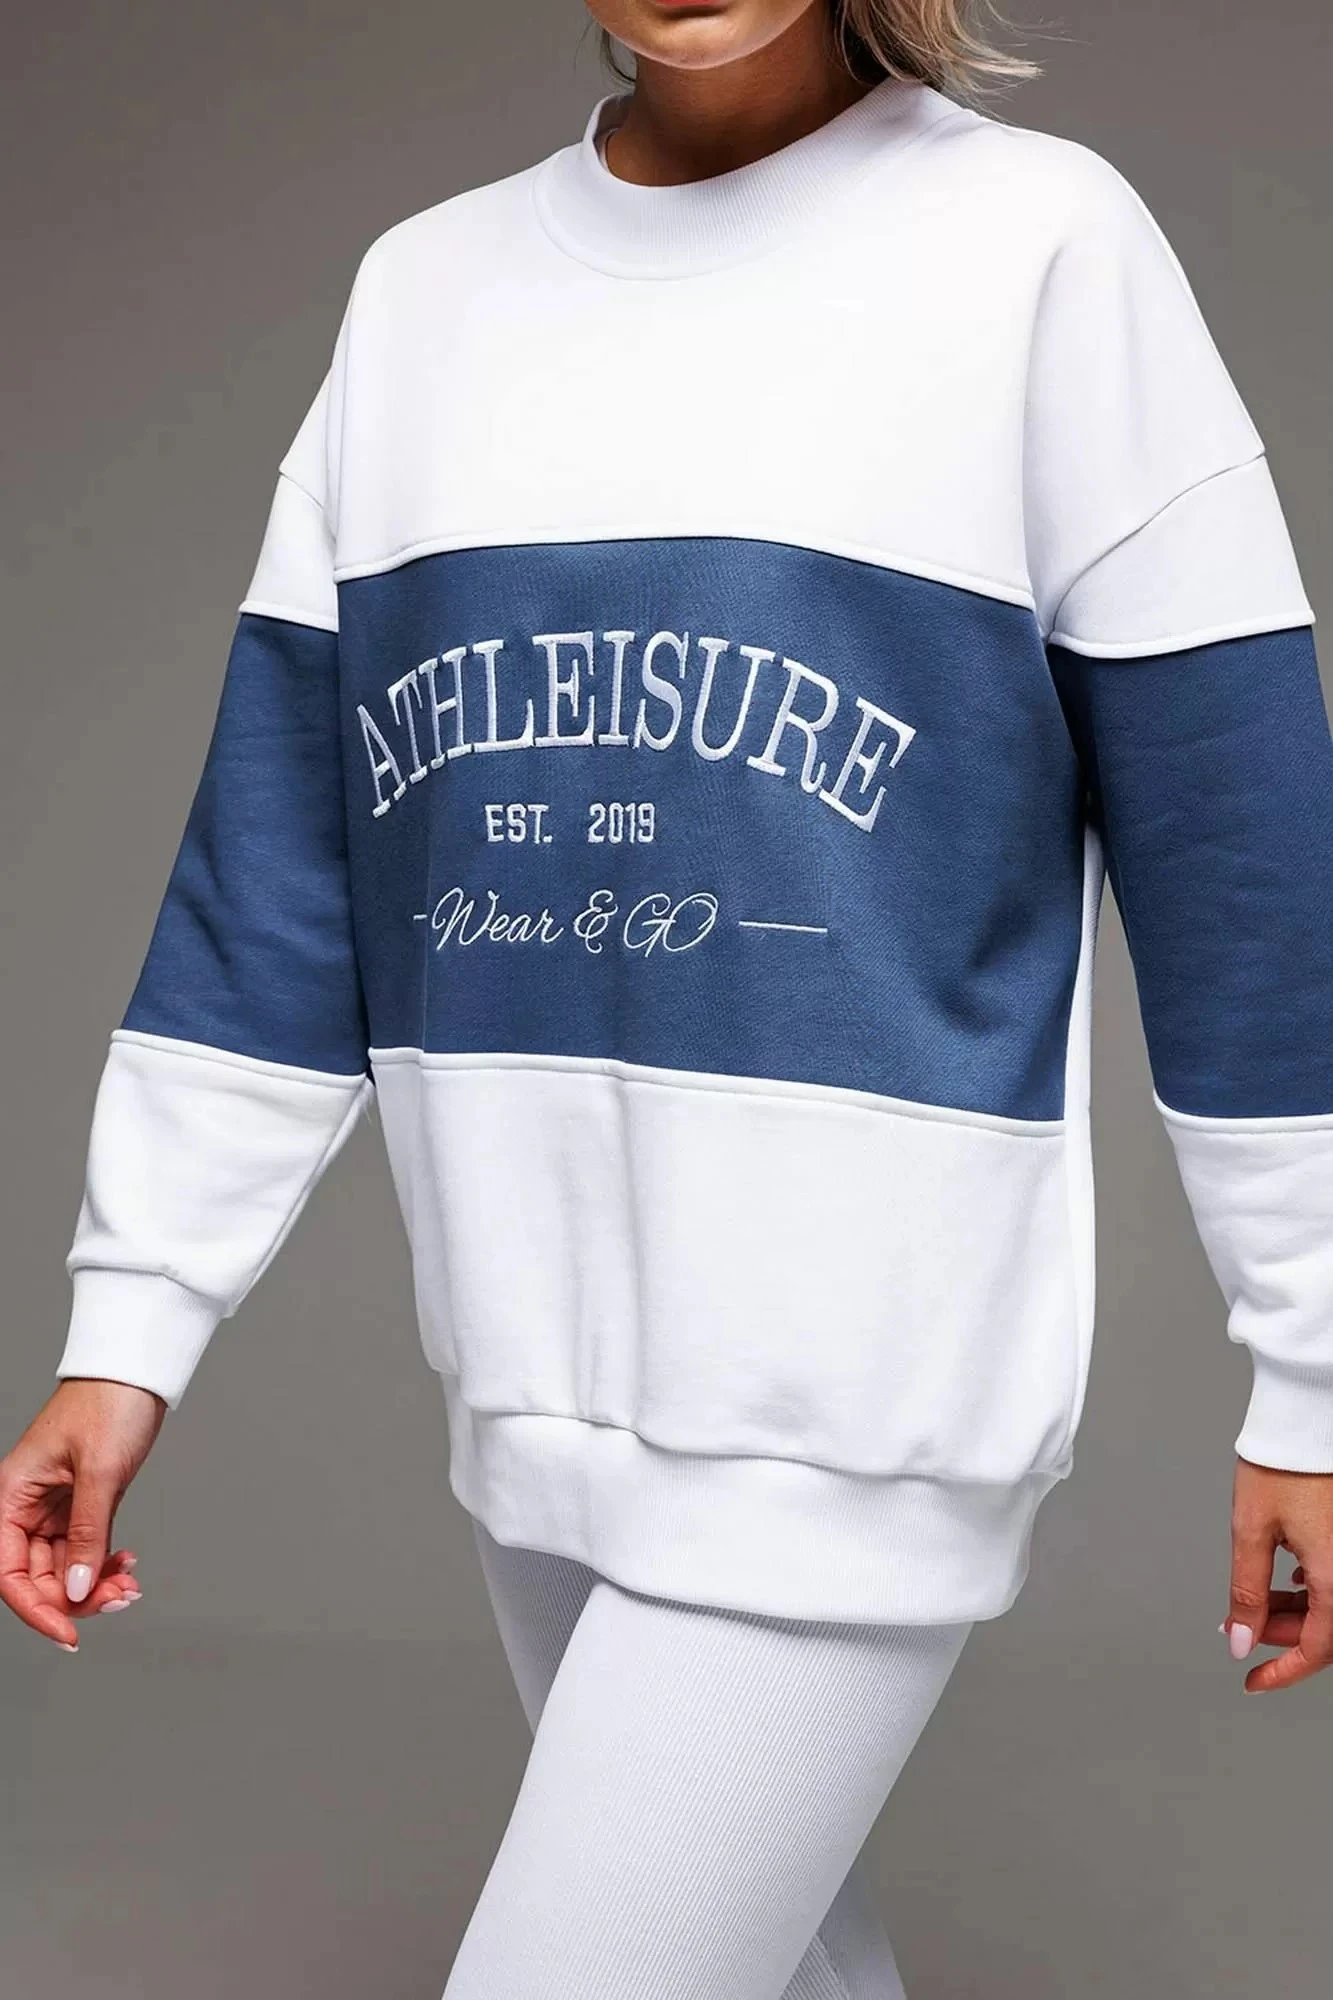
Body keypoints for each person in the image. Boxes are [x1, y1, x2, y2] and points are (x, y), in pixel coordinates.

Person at [3, 1, 1331, 1993]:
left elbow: (1250, 872)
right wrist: (132, 1328)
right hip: (530, 1383)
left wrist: (1315, 1362)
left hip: (850, 1404)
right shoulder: (427, 293)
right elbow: (280, 872)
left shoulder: (1040, 249)